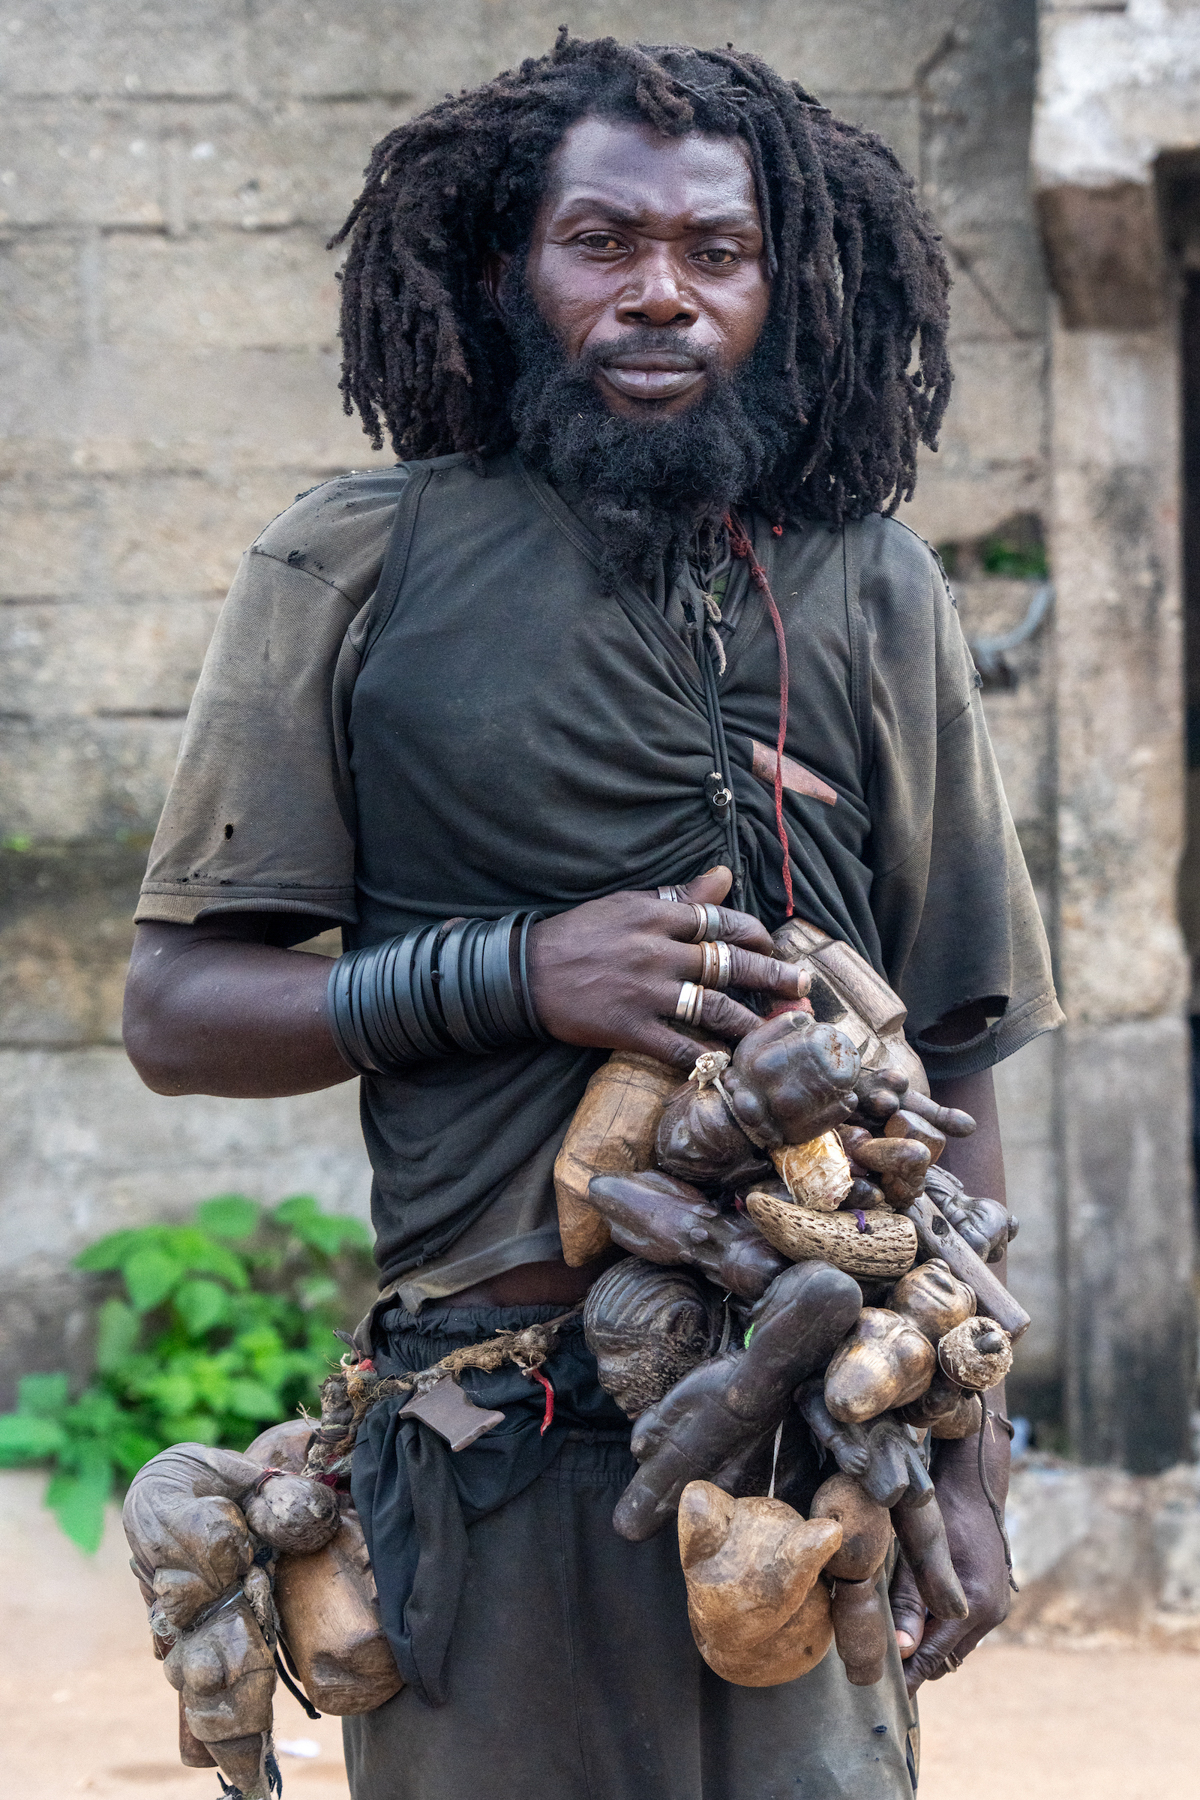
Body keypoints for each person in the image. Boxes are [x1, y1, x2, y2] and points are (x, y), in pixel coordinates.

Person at [123, 33, 1062, 1800]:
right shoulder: (355, 566)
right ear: (507, 267)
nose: (661, 297)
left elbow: (956, 1046)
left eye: (716, 254)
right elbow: (177, 1014)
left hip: (812, 1459)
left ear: (784, 285)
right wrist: (520, 974)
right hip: (484, 1442)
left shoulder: (872, 586)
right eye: (601, 244)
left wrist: (973, 1458)